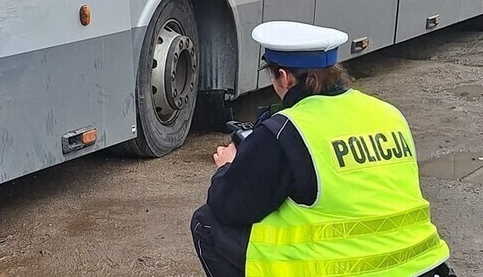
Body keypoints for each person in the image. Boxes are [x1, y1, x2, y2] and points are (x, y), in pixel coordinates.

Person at [190, 21, 455, 277]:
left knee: (208, 222)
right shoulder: (389, 114)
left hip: (348, 270)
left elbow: (231, 206)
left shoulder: (288, 128)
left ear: (284, 77)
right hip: (420, 265)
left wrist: (228, 166)